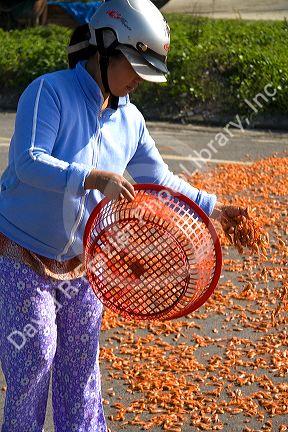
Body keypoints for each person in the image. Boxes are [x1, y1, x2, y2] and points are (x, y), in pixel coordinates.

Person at [0, 0, 245, 430]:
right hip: (21, 252)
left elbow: (161, 178)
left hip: (82, 264)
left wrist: (215, 207)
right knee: (35, 358)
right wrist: (93, 177)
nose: (137, 81)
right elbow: (28, 161)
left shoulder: (130, 120)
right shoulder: (49, 92)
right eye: (133, 66)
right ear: (104, 48)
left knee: (81, 370)